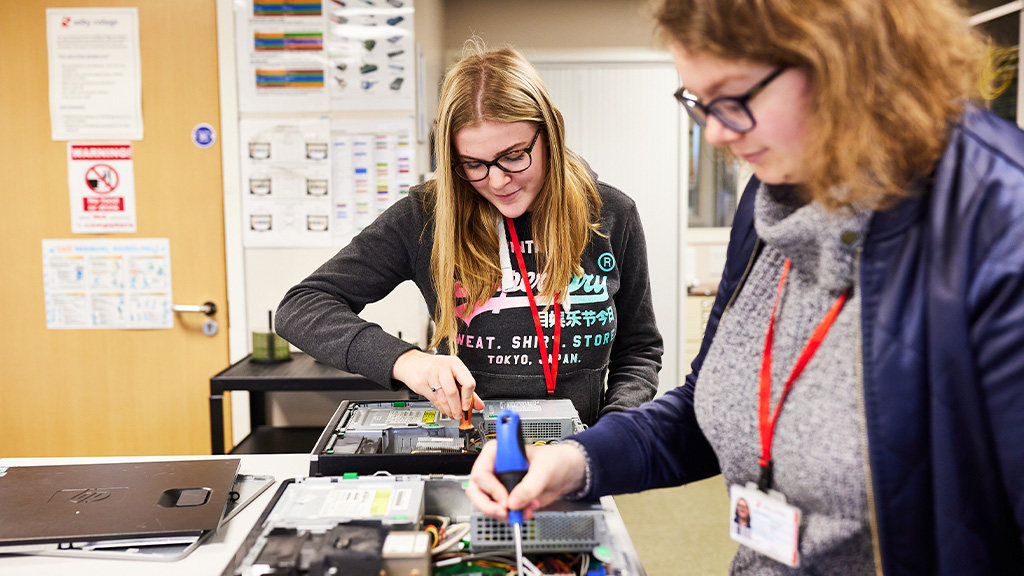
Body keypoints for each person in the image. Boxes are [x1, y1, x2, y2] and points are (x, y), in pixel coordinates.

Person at [467, 0, 1024, 573]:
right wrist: (573, 460)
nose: (712, 133)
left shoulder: (1001, 225)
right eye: (698, 102)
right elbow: (706, 411)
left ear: (843, 57)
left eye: (734, 98)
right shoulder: (771, 196)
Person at [275, 40, 663, 426]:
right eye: (474, 164)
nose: (497, 181)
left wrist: (613, 429)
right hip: (464, 449)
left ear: (551, 135)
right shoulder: (427, 216)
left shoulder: (612, 213)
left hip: (579, 454)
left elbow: (639, 349)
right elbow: (302, 306)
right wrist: (405, 361)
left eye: (514, 156)